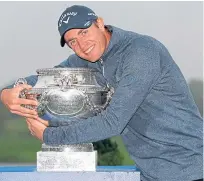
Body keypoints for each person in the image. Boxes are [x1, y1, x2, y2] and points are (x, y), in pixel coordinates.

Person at [0, 5, 203, 181]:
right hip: (150, 172)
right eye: (72, 42)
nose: (81, 45)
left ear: (99, 23)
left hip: (190, 169)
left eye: (83, 32)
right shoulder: (88, 59)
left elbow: (113, 122)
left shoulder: (141, 51)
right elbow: (49, 77)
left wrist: (48, 136)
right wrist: (9, 92)